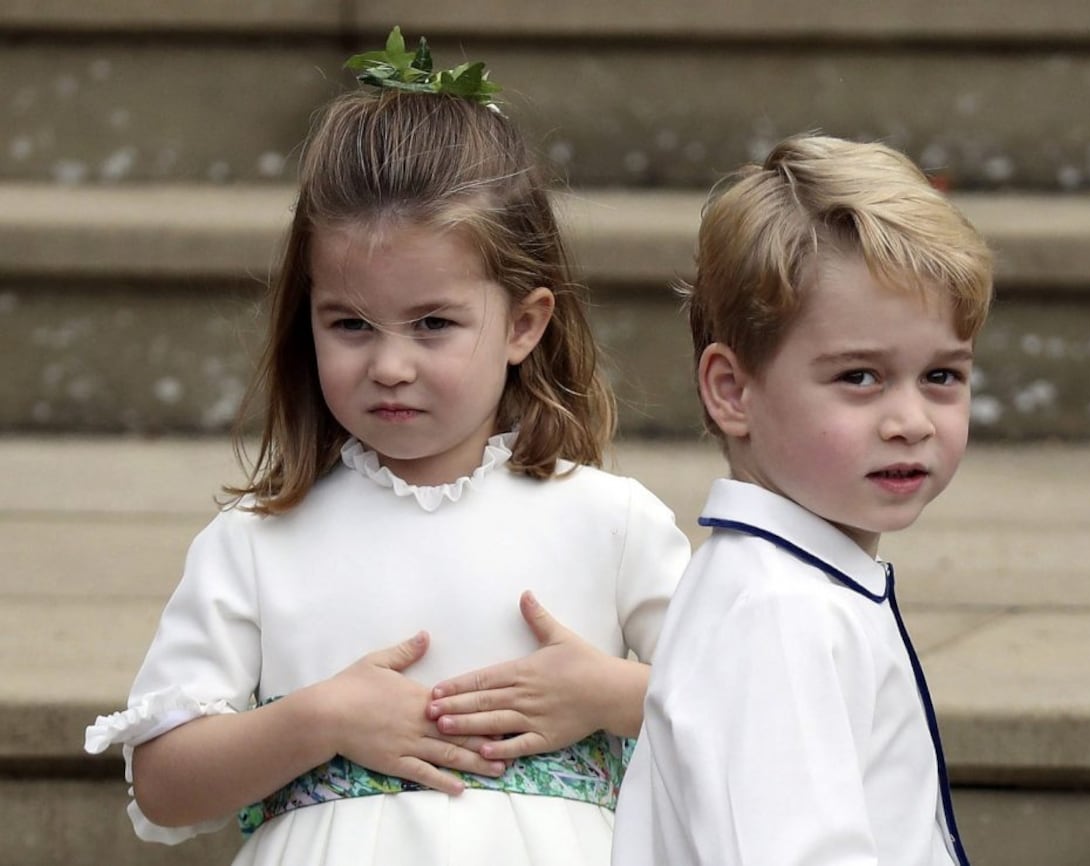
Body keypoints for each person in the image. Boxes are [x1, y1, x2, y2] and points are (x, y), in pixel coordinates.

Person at [84, 29, 690, 866]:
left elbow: (744, 713)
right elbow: (163, 786)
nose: (390, 365)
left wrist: (613, 695)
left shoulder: (610, 522)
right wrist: (319, 718)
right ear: (310, 320)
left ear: (524, 324)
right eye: (351, 324)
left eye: (434, 323)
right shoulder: (259, 544)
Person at [611, 134, 994, 866]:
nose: (910, 420)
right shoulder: (780, 611)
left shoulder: (795, 584)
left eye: (941, 377)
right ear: (732, 390)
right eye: (859, 377)